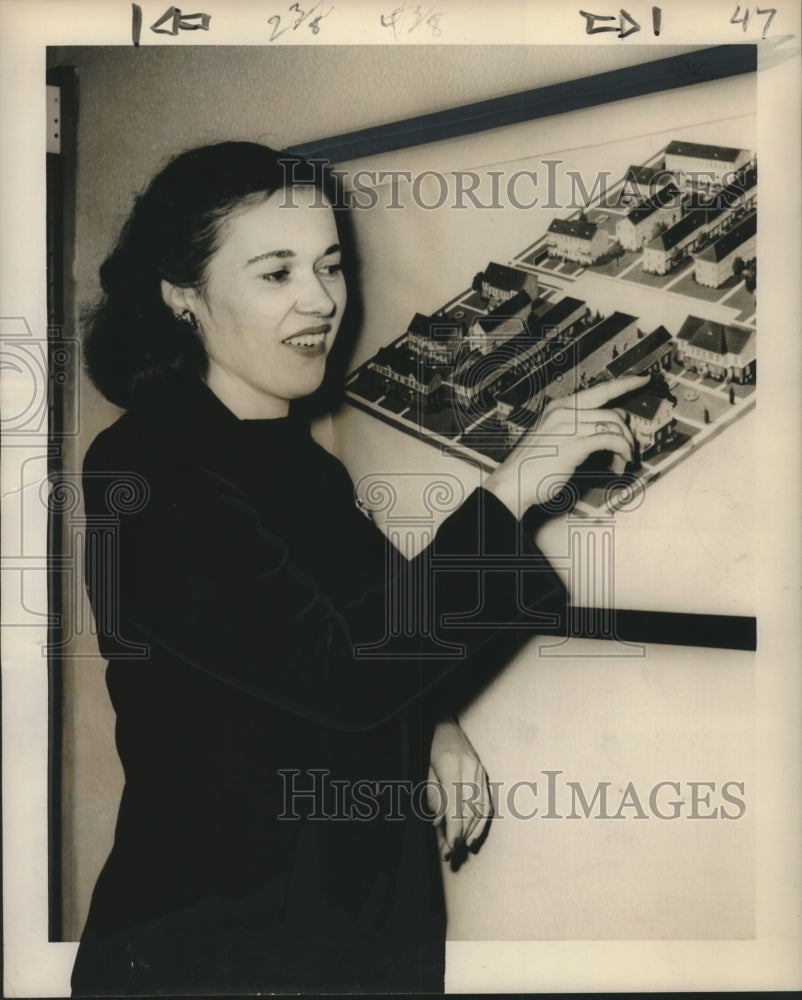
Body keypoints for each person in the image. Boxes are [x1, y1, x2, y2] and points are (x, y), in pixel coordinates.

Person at [71, 141, 646, 996]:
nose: (321, 301)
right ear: (180, 297)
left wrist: (434, 725)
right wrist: (514, 486)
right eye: (276, 273)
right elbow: (343, 675)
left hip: (342, 927)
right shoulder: (145, 469)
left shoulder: (295, 463)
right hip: (218, 945)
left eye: (330, 265)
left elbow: (371, 627)